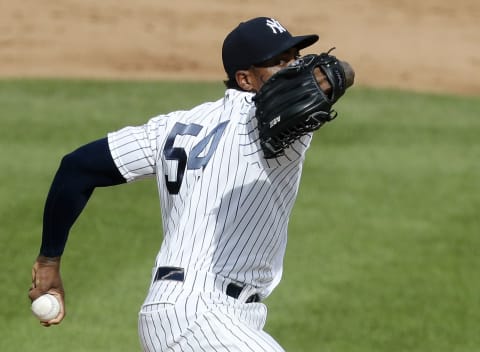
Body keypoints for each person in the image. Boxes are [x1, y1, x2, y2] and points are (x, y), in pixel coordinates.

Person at [29, 16, 354, 351]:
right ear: (245, 79)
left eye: (295, 57)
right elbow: (335, 74)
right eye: (280, 62)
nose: (294, 69)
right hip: (199, 314)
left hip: (202, 316)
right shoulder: (271, 121)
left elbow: (77, 168)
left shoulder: (174, 127)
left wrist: (48, 261)